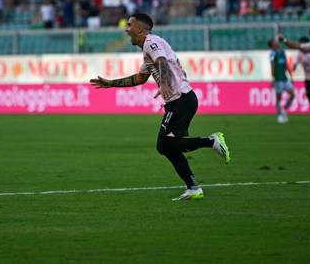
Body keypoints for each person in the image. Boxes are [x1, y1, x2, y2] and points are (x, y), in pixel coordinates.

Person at [90, 13, 229, 201]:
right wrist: (111, 83)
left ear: (140, 29)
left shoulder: (151, 42)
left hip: (181, 99)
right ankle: (193, 188)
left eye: (129, 25)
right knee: (168, 147)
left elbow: (162, 61)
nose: (126, 29)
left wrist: (163, 82)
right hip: (181, 100)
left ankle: (211, 141)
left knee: (164, 145)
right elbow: (140, 78)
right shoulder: (148, 49)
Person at [268, 38, 295, 123]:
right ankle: (279, 115)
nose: (277, 43)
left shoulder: (282, 52)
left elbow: (286, 64)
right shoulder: (272, 54)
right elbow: (272, 66)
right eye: (274, 42)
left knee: (293, 94)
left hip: (285, 78)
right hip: (278, 79)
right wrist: (272, 78)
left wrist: (291, 75)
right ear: (272, 45)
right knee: (278, 98)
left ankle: (284, 110)